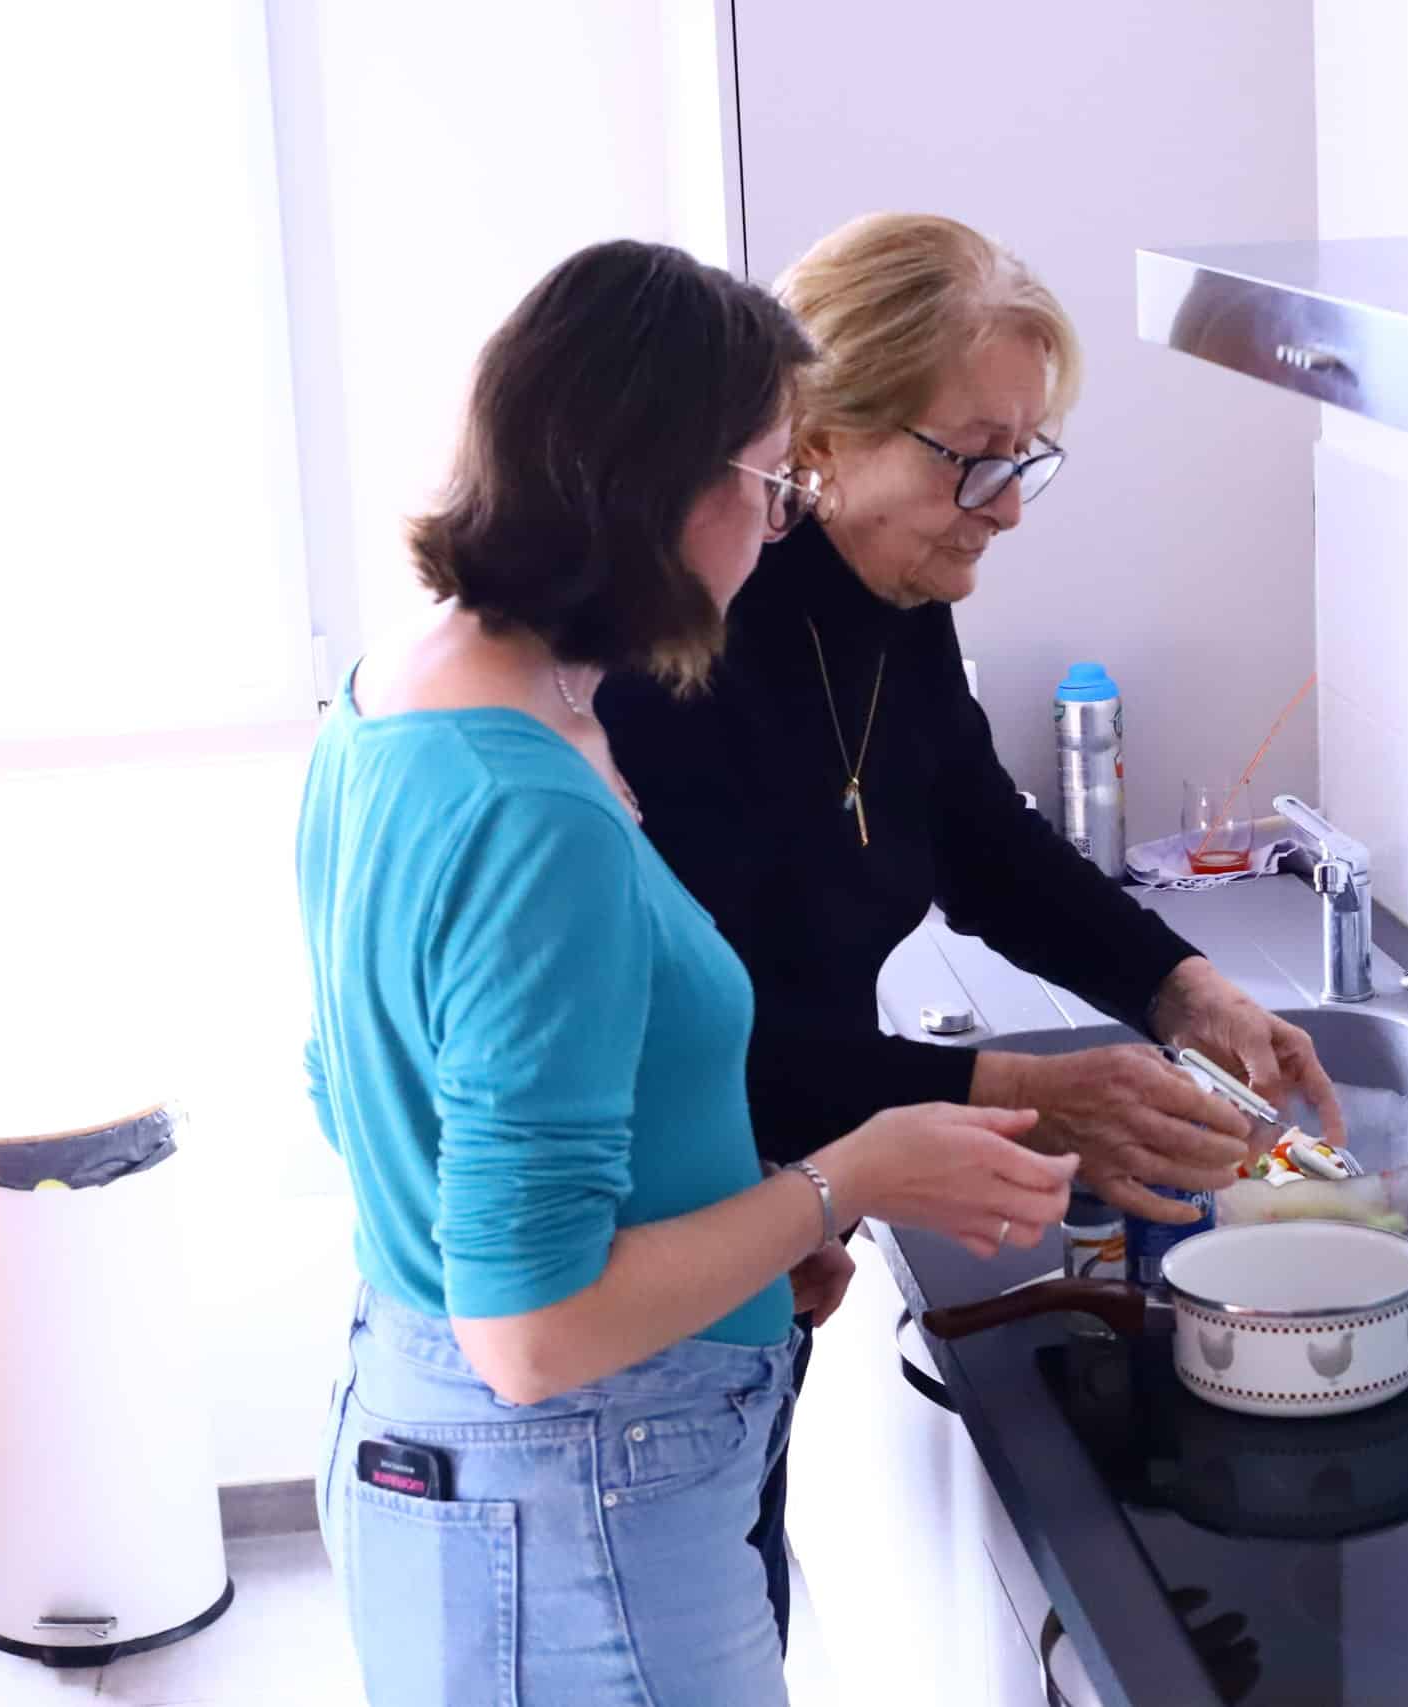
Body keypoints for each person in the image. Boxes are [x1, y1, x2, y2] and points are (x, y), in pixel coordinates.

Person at [298, 239, 1077, 1707]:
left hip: (459, 1448)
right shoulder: (533, 811)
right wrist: (844, 1179)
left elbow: (367, 1093)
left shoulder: (390, 700)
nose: (779, 530)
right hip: (572, 1494)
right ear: (665, 488)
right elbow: (534, 1331)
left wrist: (739, 1230)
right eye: (773, 484)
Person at [598, 211, 1346, 1648]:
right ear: (823, 435)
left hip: (762, 1246)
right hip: (649, 1266)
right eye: (973, 458)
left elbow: (975, 833)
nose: (1005, 506)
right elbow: (705, 1044)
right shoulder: (680, 646)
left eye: (1026, 459)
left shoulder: (894, 598)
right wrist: (1015, 1094)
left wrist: (1180, 985)